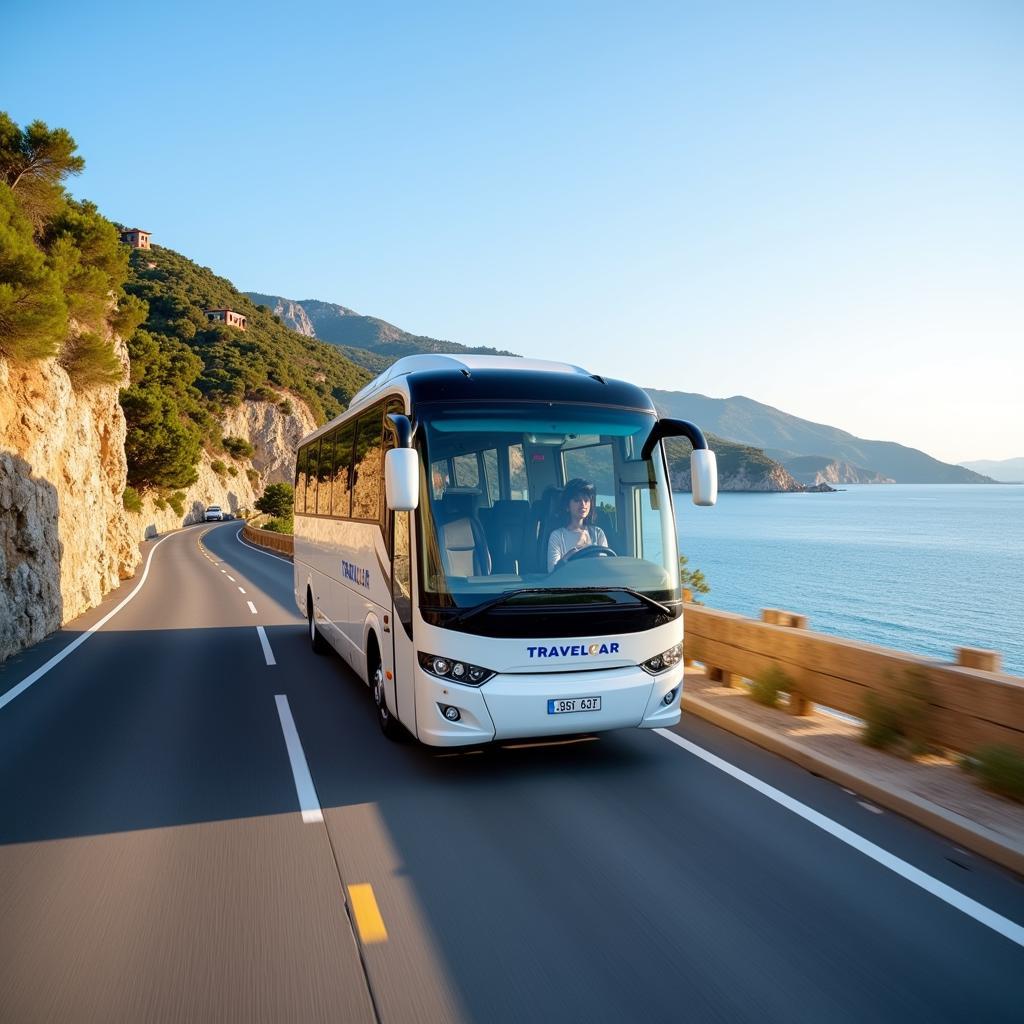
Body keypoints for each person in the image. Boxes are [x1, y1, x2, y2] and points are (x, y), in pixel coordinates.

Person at [547, 479, 608, 571]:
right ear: (567, 506)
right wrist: (567, 557)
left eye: (586, 500)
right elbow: (552, 572)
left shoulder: (598, 533)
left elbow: (605, 567)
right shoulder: (557, 536)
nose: (583, 504)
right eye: (577, 500)